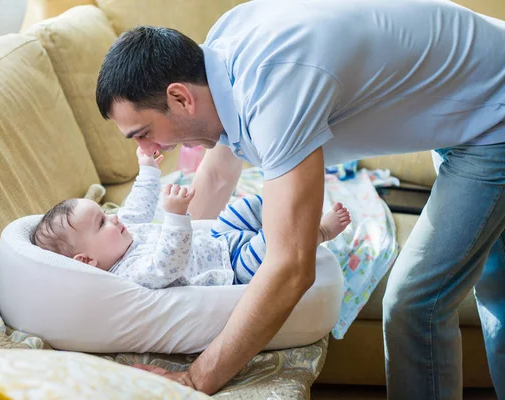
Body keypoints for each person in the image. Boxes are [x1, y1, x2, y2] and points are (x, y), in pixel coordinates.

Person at [95, 0, 505, 397]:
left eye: (144, 132)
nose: (153, 149)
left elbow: (291, 266)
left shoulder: (276, 88)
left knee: (416, 305)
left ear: (181, 97)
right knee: (496, 283)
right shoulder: (220, 56)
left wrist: (196, 378)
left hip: (493, 115)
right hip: (469, 99)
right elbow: (218, 176)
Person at [31, 148, 351, 289]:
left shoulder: (123, 232)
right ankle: (318, 231)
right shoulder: (129, 274)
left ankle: (291, 200)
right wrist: (174, 217)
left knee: (251, 204)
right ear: (87, 260)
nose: (113, 219)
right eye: (101, 224)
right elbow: (169, 263)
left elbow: (137, 207)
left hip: (216, 237)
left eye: (105, 215)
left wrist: (148, 170)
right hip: (233, 267)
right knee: (275, 238)